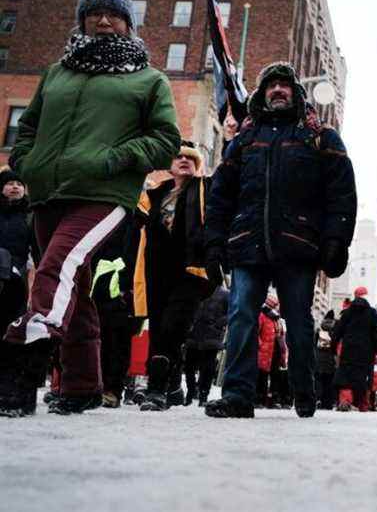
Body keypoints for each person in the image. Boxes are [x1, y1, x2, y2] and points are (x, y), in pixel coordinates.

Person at [0, 0, 180, 417]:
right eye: (95, 13)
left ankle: (25, 355)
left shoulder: (148, 79)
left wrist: (113, 160)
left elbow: (164, 141)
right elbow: (29, 126)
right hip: (48, 192)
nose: (104, 21)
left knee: (55, 267)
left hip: (104, 193)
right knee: (74, 288)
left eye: (114, 15)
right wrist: (26, 162)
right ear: (82, 20)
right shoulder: (56, 73)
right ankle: (81, 385)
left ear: (129, 24)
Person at [204, 62, 357, 418]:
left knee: (299, 321)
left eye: (284, 85)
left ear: (296, 94)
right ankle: (238, 396)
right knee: (242, 315)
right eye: (270, 85)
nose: (277, 90)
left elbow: (341, 193)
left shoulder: (320, 137)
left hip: (297, 245)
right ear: (262, 94)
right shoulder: (244, 140)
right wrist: (213, 241)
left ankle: (304, 391)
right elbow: (220, 195)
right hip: (247, 242)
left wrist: (337, 239)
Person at [134, 141, 214, 411]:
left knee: (172, 326)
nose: (183, 161)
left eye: (190, 158)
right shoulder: (154, 195)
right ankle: (173, 387)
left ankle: (156, 390)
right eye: (178, 157)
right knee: (159, 328)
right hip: (156, 271)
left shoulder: (206, 189)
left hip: (191, 271)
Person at [88, 220, 142, 410]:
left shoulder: (137, 218)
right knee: (97, 338)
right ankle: (95, 386)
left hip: (126, 288)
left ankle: (112, 390)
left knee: (118, 341)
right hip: (99, 283)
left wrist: (129, 286)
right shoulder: (102, 215)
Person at [0, 170, 33, 414]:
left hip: (18, 279)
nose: (14, 187)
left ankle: (12, 393)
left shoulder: (31, 215)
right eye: (9, 183)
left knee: (14, 334)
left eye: (18, 184)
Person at [332, 287, 377, 412]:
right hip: (366, 352)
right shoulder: (372, 314)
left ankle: (345, 400)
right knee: (363, 377)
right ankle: (362, 404)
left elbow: (337, 332)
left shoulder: (347, 313)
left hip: (348, 350)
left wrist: (333, 348)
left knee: (346, 376)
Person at [184, 285, 229, 407]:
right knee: (189, 366)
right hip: (194, 333)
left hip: (212, 335)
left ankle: (203, 394)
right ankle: (190, 391)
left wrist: (219, 323)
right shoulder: (197, 288)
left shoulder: (224, 294)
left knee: (207, 368)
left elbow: (231, 312)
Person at [255, 295, 280, 407]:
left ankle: (263, 399)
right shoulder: (262, 316)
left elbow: (278, 334)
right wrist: (260, 345)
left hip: (272, 352)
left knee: (266, 376)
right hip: (263, 351)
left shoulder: (274, 318)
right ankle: (257, 399)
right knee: (260, 376)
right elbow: (256, 332)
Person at [315, 309, 337, 410]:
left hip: (318, 359)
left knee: (319, 381)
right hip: (330, 360)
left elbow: (313, 345)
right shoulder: (335, 332)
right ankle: (327, 403)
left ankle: (318, 399)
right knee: (329, 382)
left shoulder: (319, 331)